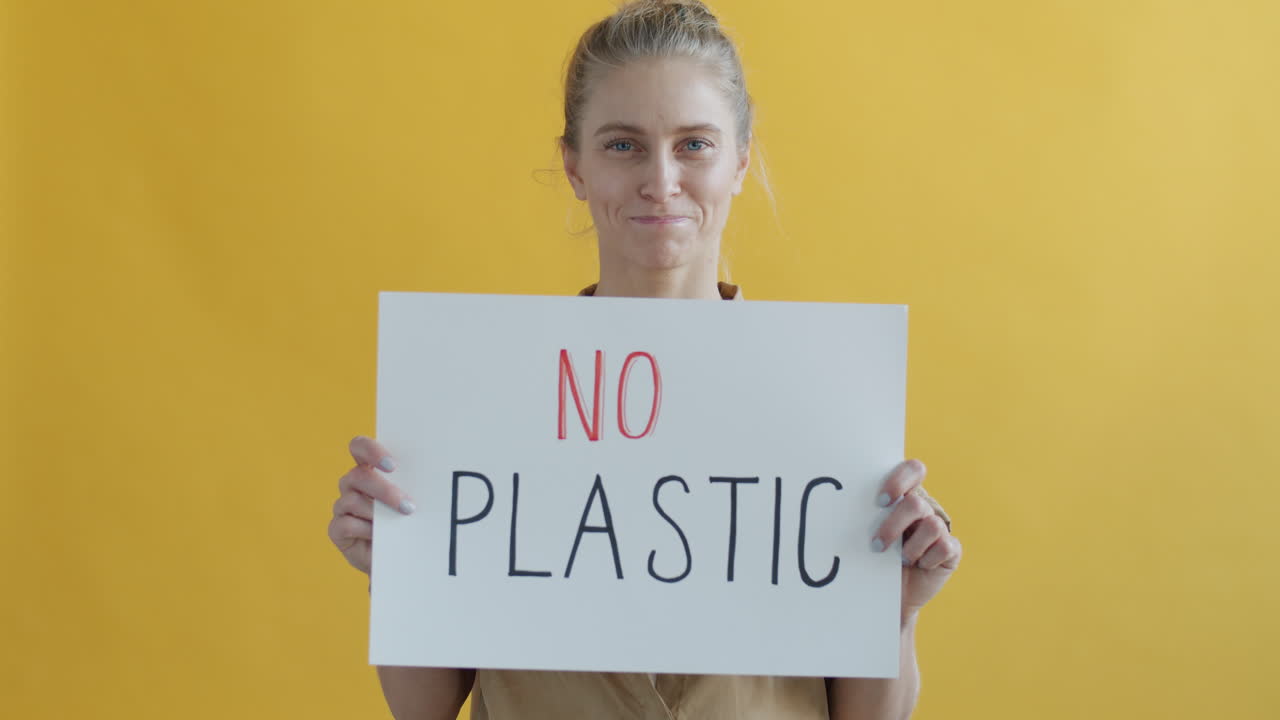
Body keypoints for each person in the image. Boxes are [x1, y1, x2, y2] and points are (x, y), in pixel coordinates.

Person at [327, 1, 962, 718]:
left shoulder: (827, 398)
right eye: (624, 145)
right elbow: (427, 709)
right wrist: (394, 569)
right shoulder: (485, 392)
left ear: (740, 162)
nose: (661, 180)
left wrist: (893, 610)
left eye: (695, 145)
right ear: (574, 166)